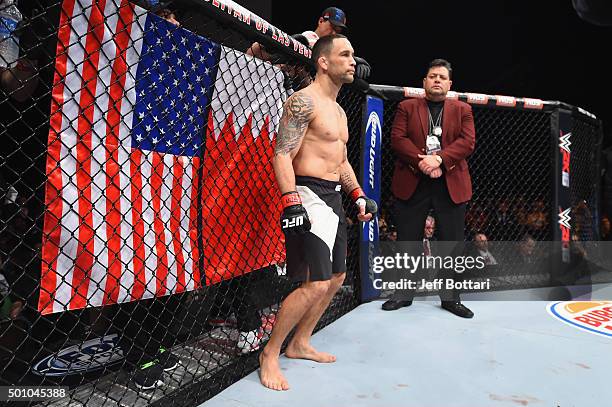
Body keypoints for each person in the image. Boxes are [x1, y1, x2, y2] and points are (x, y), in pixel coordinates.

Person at [258, 34, 376, 391]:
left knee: (337, 278)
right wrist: (290, 199)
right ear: (323, 62)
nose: (353, 60)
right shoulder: (302, 102)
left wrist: (357, 194)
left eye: (354, 54)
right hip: (307, 192)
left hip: (335, 196)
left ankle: (299, 342)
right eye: (345, 54)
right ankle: (270, 353)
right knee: (316, 283)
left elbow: (340, 161)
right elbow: (282, 154)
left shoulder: (339, 111)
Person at [381, 59, 475, 318]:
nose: (437, 80)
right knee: (407, 241)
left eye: (442, 77)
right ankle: (403, 294)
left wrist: (439, 160)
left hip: (450, 181)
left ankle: (451, 298)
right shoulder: (406, 107)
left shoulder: (462, 109)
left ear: (449, 84)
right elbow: (397, 139)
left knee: (451, 244)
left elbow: (467, 142)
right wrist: (422, 161)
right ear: (424, 81)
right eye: (432, 76)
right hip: (413, 180)